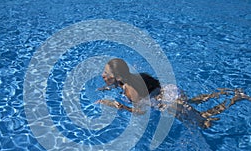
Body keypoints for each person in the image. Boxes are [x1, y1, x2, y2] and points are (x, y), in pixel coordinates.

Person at [97, 58, 251, 128]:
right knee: (193, 102)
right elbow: (119, 85)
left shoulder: (132, 91)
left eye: (105, 73)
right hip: (168, 90)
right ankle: (221, 93)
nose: (103, 75)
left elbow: (141, 112)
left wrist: (119, 106)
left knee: (205, 122)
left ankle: (236, 98)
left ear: (117, 77)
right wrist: (106, 88)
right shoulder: (127, 79)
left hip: (170, 102)